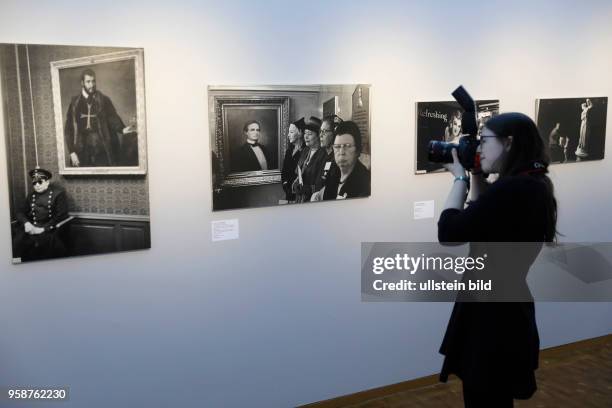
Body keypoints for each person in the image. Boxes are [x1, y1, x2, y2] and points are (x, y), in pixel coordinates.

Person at [437, 112, 558, 407]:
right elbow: (485, 216)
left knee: (484, 399)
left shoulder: (512, 189)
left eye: (485, 141)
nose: (479, 148)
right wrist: (478, 173)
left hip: (491, 323)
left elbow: (449, 232)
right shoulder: (534, 184)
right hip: (506, 309)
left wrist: (460, 179)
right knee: (493, 399)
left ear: (508, 143)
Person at [64, 68, 136, 167]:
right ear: (82, 83)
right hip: (82, 150)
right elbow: (69, 129)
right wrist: (72, 152)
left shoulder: (104, 100)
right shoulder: (74, 103)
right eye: (88, 82)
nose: (92, 85)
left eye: (93, 81)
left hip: (102, 149)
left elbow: (112, 117)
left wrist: (122, 129)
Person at [12, 168, 70, 261]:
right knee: (18, 242)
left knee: (46, 247)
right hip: (33, 226)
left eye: (40, 182)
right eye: (34, 183)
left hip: (50, 228)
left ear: (47, 182)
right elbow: (20, 212)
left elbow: (61, 215)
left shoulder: (58, 194)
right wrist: (27, 223)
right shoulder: (31, 195)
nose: (37, 185)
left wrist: (43, 229)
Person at [312, 121, 371, 201]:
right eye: (337, 147)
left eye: (347, 146)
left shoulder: (365, 182)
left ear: (357, 150)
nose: (341, 152)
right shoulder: (334, 176)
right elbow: (318, 196)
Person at [291, 116, 326, 202]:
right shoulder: (306, 150)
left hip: (312, 199)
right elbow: (298, 172)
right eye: (305, 133)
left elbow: (320, 185)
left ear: (318, 136)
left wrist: (306, 188)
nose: (305, 137)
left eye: (309, 134)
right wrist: (296, 182)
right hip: (300, 198)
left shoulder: (323, 155)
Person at [281, 118, 305, 202]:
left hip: (300, 194)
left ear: (300, 133)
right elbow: (284, 172)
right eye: (288, 132)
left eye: (291, 132)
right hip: (288, 193)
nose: (288, 135)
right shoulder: (289, 151)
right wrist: (285, 185)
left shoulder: (306, 151)